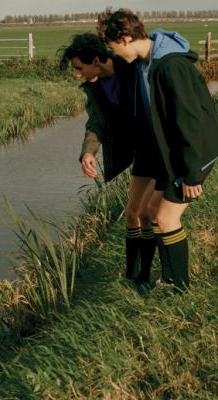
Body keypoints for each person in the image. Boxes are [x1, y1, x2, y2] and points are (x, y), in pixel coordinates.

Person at [99, 9, 218, 292]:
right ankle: (169, 279)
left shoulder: (170, 67)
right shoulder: (146, 64)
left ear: (125, 38)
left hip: (197, 150)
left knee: (167, 218)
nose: (115, 54)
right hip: (176, 150)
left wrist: (191, 174)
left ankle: (180, 289)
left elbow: (190, 121)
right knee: (151, 211)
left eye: (114, 47)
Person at [59, 33, 162, 286]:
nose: (77, 75)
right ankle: (131, 276)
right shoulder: (94, 87)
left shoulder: (132, 68)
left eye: (79, 68)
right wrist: (88, 153)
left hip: (159, 146)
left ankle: (146, 276)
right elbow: (97, 122)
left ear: (96, 60)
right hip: (139, 151)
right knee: (131, 214)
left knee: (149, 215)